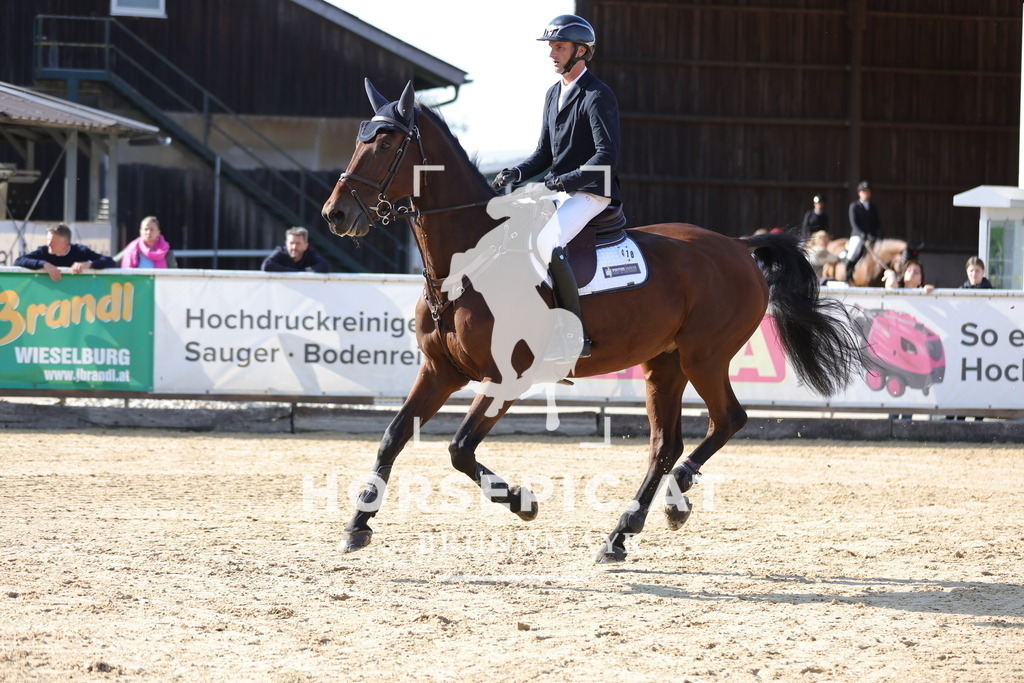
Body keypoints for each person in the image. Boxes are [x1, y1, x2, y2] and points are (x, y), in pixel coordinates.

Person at [490, 14, 621, 360]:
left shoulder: (597, 95)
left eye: (559, 46)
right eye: (551, 46)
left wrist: (566, 180)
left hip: (593, 191)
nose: (552, 53)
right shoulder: (553, 94)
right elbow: (544, 154)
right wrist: (517, 172)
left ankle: (572, 336)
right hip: (561, 190)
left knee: (547, 241)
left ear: (580, 51)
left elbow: (606, 157)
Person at [14, 223, 117, 281]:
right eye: (48, 241)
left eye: (53, 243)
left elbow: (110, 261)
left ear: (66, 244)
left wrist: (88, 264)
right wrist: (44, 264)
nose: (49, 245)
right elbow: (19, 261)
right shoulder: (43, 251)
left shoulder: (80, 251)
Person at [843, 181, 882, 282]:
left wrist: (880, 233)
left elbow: (877, 223)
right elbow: (854, 223)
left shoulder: (873, 207)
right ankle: (847, 272)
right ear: (859, 193)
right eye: (863, 191)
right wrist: (861, 234)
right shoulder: (854, 206)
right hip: (858, 235)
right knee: (854, 251)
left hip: (871, 236)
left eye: (867, 191)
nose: (865, 193)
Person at [261, 226, 330, 273]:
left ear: (306, 246)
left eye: (298, 243)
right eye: (291, 243)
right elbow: (266, 265)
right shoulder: (281, 252)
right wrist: (297, 272)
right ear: (286, 244)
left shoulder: (310, 253)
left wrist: (301, 272)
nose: (294, 247)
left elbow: (324, 266)